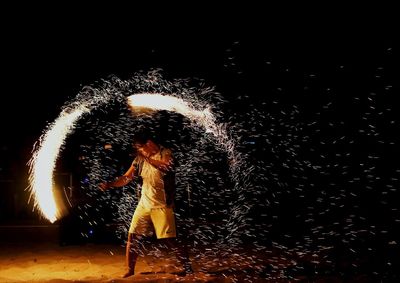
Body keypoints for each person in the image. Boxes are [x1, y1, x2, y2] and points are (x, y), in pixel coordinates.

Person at [99, 133, 192, 278]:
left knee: (170, 240)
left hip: (163, 205)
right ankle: (130, 270)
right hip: (144, 204)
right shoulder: (139, 160)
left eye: (140, 148)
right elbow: (126, 178)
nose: (139, 151)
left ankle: (187, 268)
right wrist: (110, 184)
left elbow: (167, 167)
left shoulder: (165, 153)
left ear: (149, 143)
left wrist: (147, 158)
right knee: (132, 237)